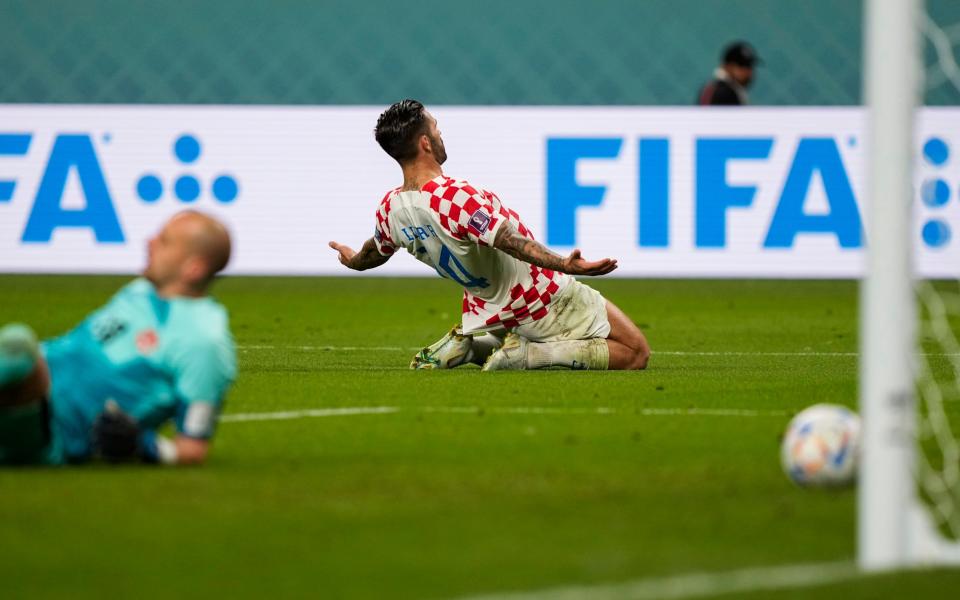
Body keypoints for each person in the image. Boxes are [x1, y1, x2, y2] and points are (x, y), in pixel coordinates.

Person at [329, 99, 650, 372]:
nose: (441, 134)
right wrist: (566, 265)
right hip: (542, 298)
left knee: (510, 330)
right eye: (436, 128)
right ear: (425, 143)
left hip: (490, 311)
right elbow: (509, 240)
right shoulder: (453, 196)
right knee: (634, 351)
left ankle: (472, 347)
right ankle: (529, 355)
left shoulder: (390, 208)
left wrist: (352, 260)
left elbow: (374, 252)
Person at [0, 210, 236, 466]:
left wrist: (145, 445)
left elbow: (193, 448)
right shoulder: (140, 291)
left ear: (194, 268)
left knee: (18, 344)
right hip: (21, 384)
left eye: (165, 241)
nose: (150, 241)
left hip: (48, 430)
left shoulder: (203, 343)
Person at [697, 40, 762, 106]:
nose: (748, 72)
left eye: (750, 67)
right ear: (728, 66)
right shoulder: (726, 94)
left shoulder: (710, 88)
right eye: (742, 65)